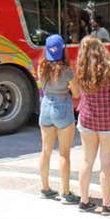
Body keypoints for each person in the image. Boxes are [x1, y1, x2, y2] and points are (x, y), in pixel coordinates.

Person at [75, 35, 110, 214]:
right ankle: (106, 204)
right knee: (106, 163)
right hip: (108, 120)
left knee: (87, 160)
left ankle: (84, 200)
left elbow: (77, 92)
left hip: (87, 119)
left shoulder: (81, 70)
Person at [36, 34, 81, 203]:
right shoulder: (67, 72)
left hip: (46, 107)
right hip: (62, 110)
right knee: (64, 154)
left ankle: (45, 188)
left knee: (45, 151)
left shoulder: (41, 68)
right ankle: (66, 192)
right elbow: (76, 93)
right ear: (63, 50)